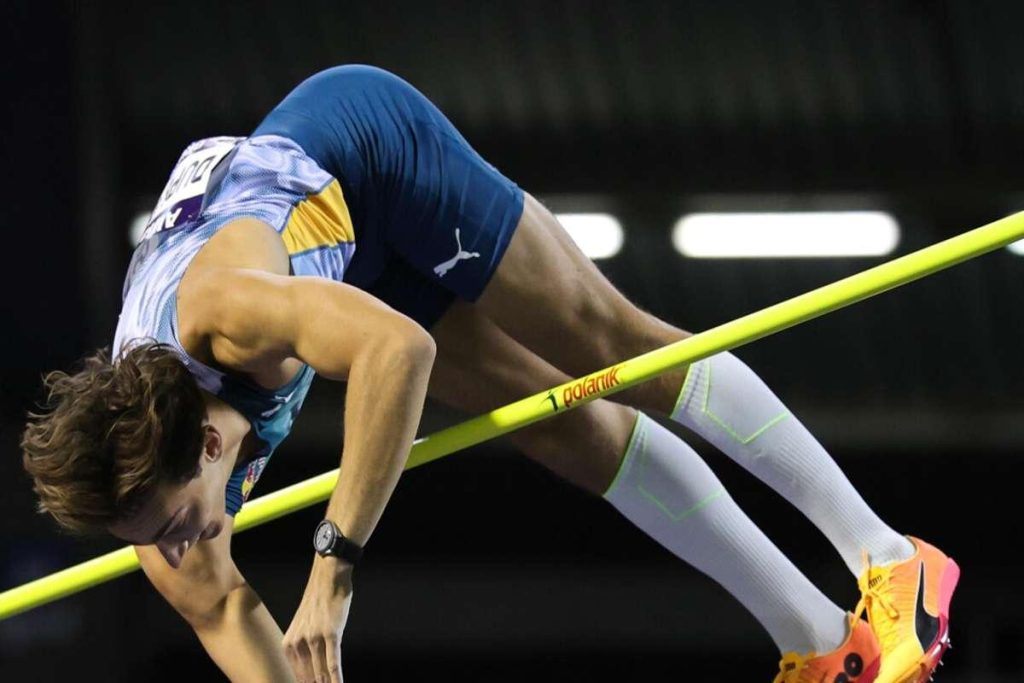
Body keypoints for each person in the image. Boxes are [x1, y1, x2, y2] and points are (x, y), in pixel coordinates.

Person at [21, 65, 958, 683]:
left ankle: (891, 559)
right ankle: (825, 641)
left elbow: (401, 352)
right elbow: (227, 608)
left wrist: (333, 563)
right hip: (343, 265)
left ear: (208, 441)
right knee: (563, 428)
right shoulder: (156, 519)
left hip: (367, 155)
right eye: (155, 538)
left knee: (608, 343)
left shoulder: (226, 312)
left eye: (180, 520)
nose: (179, 546)